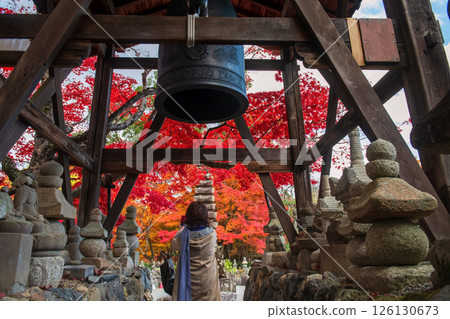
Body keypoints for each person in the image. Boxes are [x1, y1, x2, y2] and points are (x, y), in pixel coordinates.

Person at [171, 201, 221, 301]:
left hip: (187, 280)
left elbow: (173, 244)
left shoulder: (183, 236)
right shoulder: (212, 235)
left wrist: (180, 230)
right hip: (208, 280)